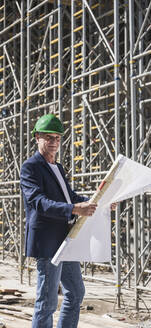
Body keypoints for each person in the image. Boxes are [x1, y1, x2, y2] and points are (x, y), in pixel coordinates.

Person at [20, 113, 97, 328]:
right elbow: (38, 201)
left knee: (76, 292)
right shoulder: (30, 167)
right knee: (47, 301)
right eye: (49, 137)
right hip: (47, 242)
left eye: (57, 138)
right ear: (37, 137)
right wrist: (73, 209)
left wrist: (96, 203)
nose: (54, 142)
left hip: (65, 239)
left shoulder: (58, 167)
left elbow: (69, 196)